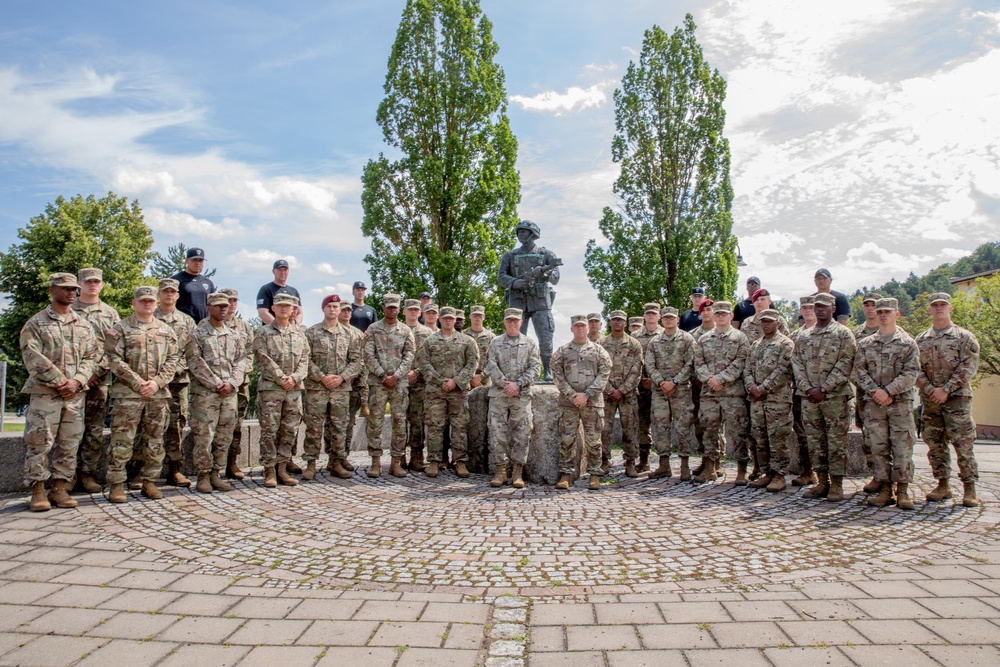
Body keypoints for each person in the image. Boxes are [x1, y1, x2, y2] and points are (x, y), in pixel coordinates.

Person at [20, 273, 99, 511]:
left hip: (74, 395)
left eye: (74, 289)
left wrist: (76, 381)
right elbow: (32, 356)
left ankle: (60, 489)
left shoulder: (84, 325)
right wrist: (60, 381)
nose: (71, 292)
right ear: (52, 290)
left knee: (69, 442)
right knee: (40, 442)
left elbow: (92, 356)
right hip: (46, 393)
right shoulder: (36, 323)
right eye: (65, 288)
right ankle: (37, 491)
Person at [106, 286, 179, 503]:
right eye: (143, 301)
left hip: (157, 395)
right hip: (128, 395)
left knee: (155, 441)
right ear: (134, 303)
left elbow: (172, 361)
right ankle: (117, 484)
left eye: (150, 301)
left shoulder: (166, 331)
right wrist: (138, 383)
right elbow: (114, 359)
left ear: (155, 303)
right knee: (122, 440)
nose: (147, 304)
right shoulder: (119, 329)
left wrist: (156, 383)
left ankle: (150, 482)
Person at [916, 292, 982, 507]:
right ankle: (942, 484)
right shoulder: (921, 339)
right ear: (930, 309)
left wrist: (945, 389)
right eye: (935, 305)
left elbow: (968, 368)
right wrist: (929, 388)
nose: (938, 308)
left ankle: (969, 487)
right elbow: (914, 369)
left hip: (956, 399)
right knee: (935, 444)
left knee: (963, 444)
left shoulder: (964, 337)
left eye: (943, 305)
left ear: (950, 308)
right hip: (931, 400)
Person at [852, 298, 920, 509]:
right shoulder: (865, 344)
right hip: (874, 404)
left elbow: (911, 373)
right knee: (878, 447)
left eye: (887, 311)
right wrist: (876, 391)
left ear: (896, 314)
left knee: (902, 448)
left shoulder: (908, 343)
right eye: (879, 311)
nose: (882, 314)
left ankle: (903, 490)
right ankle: (884, 489)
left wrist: (888, 391)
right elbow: (858, 371)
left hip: (899, 403)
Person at [791, 292, 857, 502]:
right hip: (809, 397)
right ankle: (821, 482)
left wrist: (824, 388)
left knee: (836, 442)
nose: (819, 309)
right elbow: (797, 364)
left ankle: (836, 484)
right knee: (815, 441)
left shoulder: (843, 334)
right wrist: (808, 387)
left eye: (824, 306)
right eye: (817, 306)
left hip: (834, 397)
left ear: (833, 309)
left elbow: (846, 362)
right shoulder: (804, 336)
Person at [185, 292, 247, 494]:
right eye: (218, 305)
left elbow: (241, 361)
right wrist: (216, 383)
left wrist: (231, 383)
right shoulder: (197, 334)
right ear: (208, 307)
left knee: (224, 436)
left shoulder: (235, 335)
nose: (223, 309)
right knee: (204, 436)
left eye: (226, 305)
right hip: (206, 394)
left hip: (229, 394)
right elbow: (195, 362)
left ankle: (216, 474)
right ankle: (203, 476)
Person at [252, 293, 310, 487]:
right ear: (273, 308)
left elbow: (305, 360)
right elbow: (262, 358)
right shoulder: (264, 333)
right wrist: (280, 377)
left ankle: (282, 468)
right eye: (280, 305)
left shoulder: (299, 333)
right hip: (271, 389)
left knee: (289, 430)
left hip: (293, 390)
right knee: (270, 430)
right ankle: (269, 469)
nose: (284, 308)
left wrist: (293, 378)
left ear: (294, 310)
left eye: (288, 306)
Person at [71, 268, 119, 494]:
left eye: (96, 282)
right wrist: (78, 376)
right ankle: (67, 475)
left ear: (101, 285)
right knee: (68, 429)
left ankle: (87, 474)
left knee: (94, 429)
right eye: (88, 281)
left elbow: (115, 349)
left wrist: (95, 372)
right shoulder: (68, 309)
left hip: (99, 380)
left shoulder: (110, 314)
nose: (92, 285)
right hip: (70, 380)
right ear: (80, 284)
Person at [303, 295, 362, 480]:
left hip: (340, 389)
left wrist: (341, 377)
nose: (333, 309)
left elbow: (356, 361)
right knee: (314, 428)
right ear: (323, 309)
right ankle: (311, 464)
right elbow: (306, 359)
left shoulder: (349, 334)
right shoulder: (311, 333)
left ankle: (336, 462)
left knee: (339, 428)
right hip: (317, 388)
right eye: (329, 306)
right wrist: (322, 377)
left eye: (336, 306)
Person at [551, 315, 612, 490]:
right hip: (568, 403)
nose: (580, 329)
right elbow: (557, 375)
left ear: (588, 328)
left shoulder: (599, 351)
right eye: (576, 326)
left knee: (594, 440)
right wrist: (572, 395)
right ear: (571, 329)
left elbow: (604, 374)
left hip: (592, 403)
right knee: (567, 439)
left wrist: (586, 394)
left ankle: (594, 474)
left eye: (583, 326)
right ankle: (566, 474)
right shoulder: (562, 351)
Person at [417, 307, 479, 477]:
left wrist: (456, 382)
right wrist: (439, 381)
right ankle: (435, 461)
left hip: (458, 392)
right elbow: (424, 363)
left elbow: (472, 363)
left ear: (456, 320)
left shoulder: (467, 341)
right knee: (435, 427)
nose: (448, 321)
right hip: (435, 392)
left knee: (459, 427)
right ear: (440, 319)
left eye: (451, 318)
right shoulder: (430, 341)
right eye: (445, 318)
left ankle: (460, 462)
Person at [498, 220, 562, 381]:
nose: (520, 234)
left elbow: (555, 278)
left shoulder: (547, 255)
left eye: (524, 231)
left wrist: (545, 274)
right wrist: (515, 282)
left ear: (533, 234)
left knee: (545, 336)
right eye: (519, 231)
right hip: (518, 302)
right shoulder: (510, 256)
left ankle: (547, 370)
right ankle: (517, 371)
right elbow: (501, 277)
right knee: (516, 338)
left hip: (540, 301)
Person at [485, 308, 542, 488]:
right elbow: (491, 366)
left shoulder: (530, 344)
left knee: (522, 433)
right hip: (499, 395)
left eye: (515, 321)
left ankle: (518, 471)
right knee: (496, 432)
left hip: (521, 395)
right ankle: (500, 470)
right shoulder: (495, 343)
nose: (512, 323)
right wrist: (505, 384)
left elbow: (535, 368)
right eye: (509, 320)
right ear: (504, 322)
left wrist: (518, 384)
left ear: (521, 322)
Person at [694, 301, 750, 484]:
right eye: (717, 314)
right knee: (709, 432)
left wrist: (721, 379)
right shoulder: (704, 339)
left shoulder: (740, 338)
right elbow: (698, 363)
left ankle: (742, 470)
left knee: (738, 432)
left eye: (724, 314)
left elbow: (741, 362)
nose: (720, 316)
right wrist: (710, 379)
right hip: (710, 394)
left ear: (731, 316)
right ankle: (710, 467)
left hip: (732, 393)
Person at [363, 294, 416, 478]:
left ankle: (396, 462)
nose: (392, 310)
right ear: (384, 308)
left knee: (400, 423)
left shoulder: (405, 331)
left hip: (399, 385)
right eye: (389, 307)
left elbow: (409, 355)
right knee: (375, 422)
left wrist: (397, 375)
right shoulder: (373, 329)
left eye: (395, 307)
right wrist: (382, 375)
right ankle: (375, 462)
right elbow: (368, 355)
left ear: (399, 309)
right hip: (378, 383)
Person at [743, 309, 795, 492]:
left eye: (770, 321)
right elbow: (747, 369)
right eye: (763, 321)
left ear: (778, 323)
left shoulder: (786, 344)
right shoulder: (756, 345)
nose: (766, 324)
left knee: (777, 438)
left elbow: (783, 370)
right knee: (760, 438)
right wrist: (752, 387)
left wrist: (763, 388)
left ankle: (779, 475)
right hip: (757, 401)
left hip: (777, 400)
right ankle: (766, 473)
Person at [152, 278, 196, 488]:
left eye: (172, 292)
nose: (169, 295)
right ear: (159, 294)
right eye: (165, 292)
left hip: (178, 382)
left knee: (176, 425)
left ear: (178, 295)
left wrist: (175, 370)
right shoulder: (148, 317)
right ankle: (141, 472)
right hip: (152, 383)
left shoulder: (187, 322)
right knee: (148, 426)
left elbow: (192, 352)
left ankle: (175, 469)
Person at [645, 307, 697, 480]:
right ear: (662, 320)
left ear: (677, 320)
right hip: (659, 391)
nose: (668, 320)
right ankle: (664, 465)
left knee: (683, 426)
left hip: (681, 390)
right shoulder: (654, 341)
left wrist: (674, 381)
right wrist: (661, 381)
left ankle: (684, 465)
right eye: (665, 318)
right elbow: (649, 365)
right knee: (661, 427)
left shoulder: (687, 339)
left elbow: (690, 363)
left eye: (671, 318)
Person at [599, 310, 643, 477]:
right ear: (610, 322)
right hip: (606, 394)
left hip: (628, 395)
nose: (618, 322)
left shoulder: (634, 344)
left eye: (621, 320)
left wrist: (622, 390)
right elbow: (599, 369)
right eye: (615, 320)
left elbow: (636, 371)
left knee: (630, 429)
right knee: (604, 429)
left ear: (625, 323)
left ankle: (630, 462)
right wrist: (610, 389)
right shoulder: (601, 343)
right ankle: (604, 461)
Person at [218, 288, 255, 480]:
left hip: (240, 384)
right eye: (228, 301)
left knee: (237, 424)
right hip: (216, 385)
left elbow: (249, 354)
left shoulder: (244, 327)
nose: (232, 304)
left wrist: (236, 378)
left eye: (234, 300)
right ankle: (211, 466)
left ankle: (231, 462)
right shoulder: (212, 324)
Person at [854, 292, 884, 494]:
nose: (870, 308)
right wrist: (869, 388)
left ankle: (892, 479)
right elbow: (852, 366)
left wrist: (886, 391)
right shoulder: (856, 335)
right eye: (867, 304)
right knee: (869, 438)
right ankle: (876, 475)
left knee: (891, 440)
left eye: (874, 305)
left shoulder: (895, 333)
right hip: (865, 395)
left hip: (891, 396)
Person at [403, 299, 435, 471]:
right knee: (399, 421)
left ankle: (416, 456)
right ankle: (398, 456)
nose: (414, 312)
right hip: (399, 383)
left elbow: (430, 359)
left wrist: (416, 372)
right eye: (410, 310)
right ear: (404, 312)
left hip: (419, 384)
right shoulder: (398, 330)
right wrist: (403, 373)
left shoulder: (427, 333)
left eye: (416, 310)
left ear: (420, 313)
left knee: (417, 421)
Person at [789, 296, 818, 486]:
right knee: (802, 433)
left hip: (827, 392)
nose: (808, 311)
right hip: (801, 392)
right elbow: (792, 365)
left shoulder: (833, 333)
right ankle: (808, 471)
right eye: (804, 308)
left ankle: (827, 474)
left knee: (826, 435)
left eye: (811, 307)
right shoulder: (794, 336)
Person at [633, 303, 663, 472]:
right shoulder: (636, 336)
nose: (651, 316)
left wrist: (655, 380)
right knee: (642, 423)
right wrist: (641, 379)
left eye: (654, 314)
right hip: (641, 385)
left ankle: (663, 460)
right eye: (648, 314)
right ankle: (644, 460)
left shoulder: (665, 334)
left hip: (660, 386)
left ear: (658, 316)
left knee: (662, 423)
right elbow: (633, 361)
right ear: (644, 316)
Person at [337, 300, 365, 471]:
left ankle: (343, 456)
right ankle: (332, 456)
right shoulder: (331, 330)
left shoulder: (357, 334)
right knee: (333, 424)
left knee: (349, 423)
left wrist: (352, 377)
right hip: (333, 386)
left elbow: (361, 360)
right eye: (344, 310)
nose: (347, 313)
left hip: (353, 386)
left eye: (349, 310)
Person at [170, 247, 215, 323]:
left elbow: (213, 305)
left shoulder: (208, 282)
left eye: (200, 260)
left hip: (204, 326)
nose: (197, 263)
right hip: (183, 324)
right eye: (194, 260)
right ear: (187, 261)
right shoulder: (176, 280)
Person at [257, 259, 303, 325]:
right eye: (279, 270)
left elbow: (300, 313)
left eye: (285, 270)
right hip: (272, 333)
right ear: (273, 271)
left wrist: (294, 328)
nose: (282, 272)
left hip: (292, 333)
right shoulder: (266, 289)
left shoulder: (294, 291)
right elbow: (263, 313)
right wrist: (279, 327)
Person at [467, 305, 496, 389]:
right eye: (474, 315)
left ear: (484, 317)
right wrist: (470, 378)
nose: (477, 317)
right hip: (466, 380)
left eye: (479, 315)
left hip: (485, 380)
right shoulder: (462, 335)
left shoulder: (492, 337)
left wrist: (481, 376)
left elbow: (495, 360)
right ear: (470, 316)